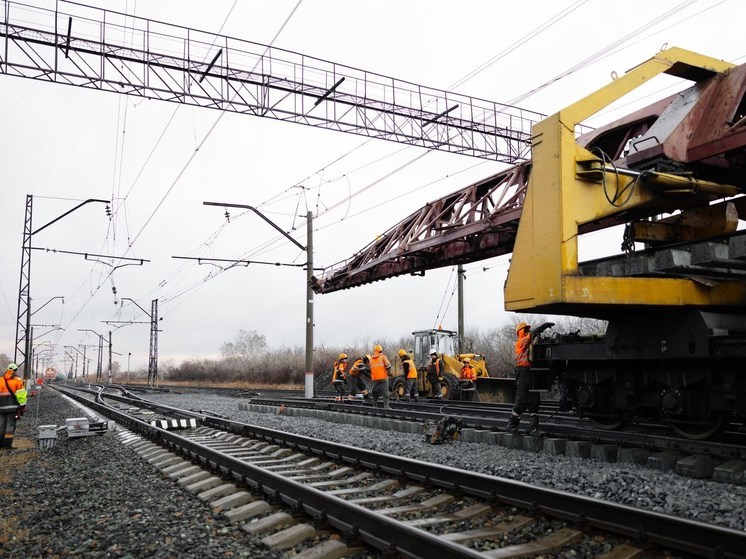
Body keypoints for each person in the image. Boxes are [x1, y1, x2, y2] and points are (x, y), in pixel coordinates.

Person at [508, 322, 540, 434]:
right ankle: (512, 425)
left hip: (530, 371)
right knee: (521, 398)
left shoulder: (528, 342)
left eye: (527, 330)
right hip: (522, 371)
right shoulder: (520, 342)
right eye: (525, 330)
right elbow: (527, 340)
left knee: (534, 398)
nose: (527, 331)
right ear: (520, 332)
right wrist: (537, 330)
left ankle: (533, 428)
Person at [1, 363, 28, 449]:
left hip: (1, 408)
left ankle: (0, 444)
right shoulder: (18, 380)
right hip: (12, 407)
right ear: (15, 370)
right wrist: (22, 407)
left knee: (1, 425)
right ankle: (7, 444)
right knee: (10, 425)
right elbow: (21, 396)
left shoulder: (0, 380)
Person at [368, 344, 391, 408]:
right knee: (385, 392)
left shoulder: (371, 359)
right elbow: (389, 366)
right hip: (383, 377)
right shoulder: (383, 357)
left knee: (375, 392)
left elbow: (371, 369)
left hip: (375, 378)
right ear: (381, 351)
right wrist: (388, 372)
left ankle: (374, 405)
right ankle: (386, 406)